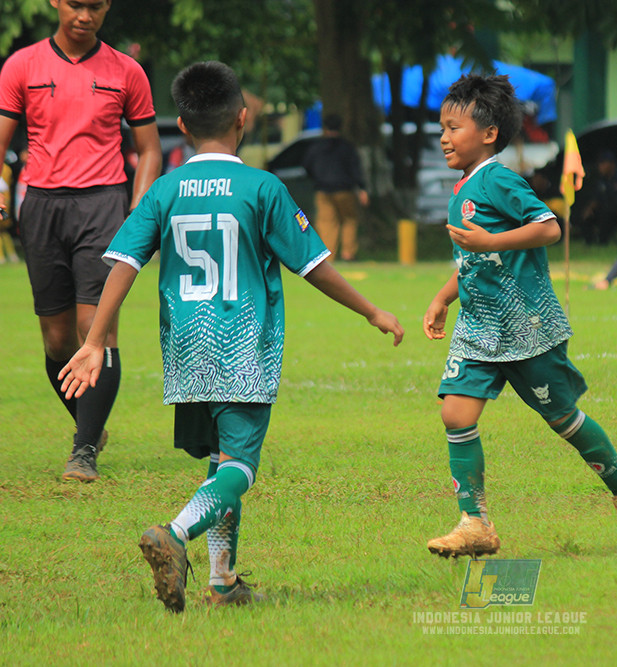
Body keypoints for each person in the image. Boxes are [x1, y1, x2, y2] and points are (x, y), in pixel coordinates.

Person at [58, 61, 404, 612]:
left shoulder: (167, 187)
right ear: (242, 118)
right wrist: (370, 311)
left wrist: (96, 339)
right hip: (241, 345)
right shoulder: (262, 186)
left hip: (186, 348)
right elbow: (312, 264)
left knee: (220, 460)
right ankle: (175, 533)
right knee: (240, 465)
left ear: (182, 123)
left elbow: (123, 262)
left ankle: (222, 580)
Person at [422, 74, 617, 558]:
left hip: (526, 328)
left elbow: (548, 228)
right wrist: (445, 297)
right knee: (455, 412)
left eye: (453, 127)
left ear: (488, 134)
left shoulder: (499, 179)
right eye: (441, 127)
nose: (443, 136)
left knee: (563, 418)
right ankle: (475, 523)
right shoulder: (463, 186)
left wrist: (491, 240)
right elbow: (473, 260)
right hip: (480, 329)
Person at [0, 0, 162, 482]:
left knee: (99, 328)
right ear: (55, 1)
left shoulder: (127, 70)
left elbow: (149, 149)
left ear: (107, 6)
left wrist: (138, 212)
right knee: (56, 340)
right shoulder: (22, 65)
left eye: (95, 5)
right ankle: (89, 424)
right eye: (75, 4)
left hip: (104, 204)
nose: (84, 15)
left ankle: (84, 451)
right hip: (44, 206)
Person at [302, 113, 369, 261]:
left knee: (326, 222)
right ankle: (348, 253)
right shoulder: (347, 147)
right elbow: (355, 169)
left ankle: (328, 255)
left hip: (323, 190)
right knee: (349, 219)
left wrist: (317, 179)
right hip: (345, 190)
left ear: (325, 128)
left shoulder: (316, 147)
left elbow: (307, 166)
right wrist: (362, 188)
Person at [577, 150, 617, 244]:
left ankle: (603, 241)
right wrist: (589, 209)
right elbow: (597, 198)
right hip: (608, 211)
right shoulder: (602, 180)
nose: (600, 166)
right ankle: (591, 242)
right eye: (600, 163)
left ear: (611, 164)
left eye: (603, 163)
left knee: (607, 215)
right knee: (589, 215)